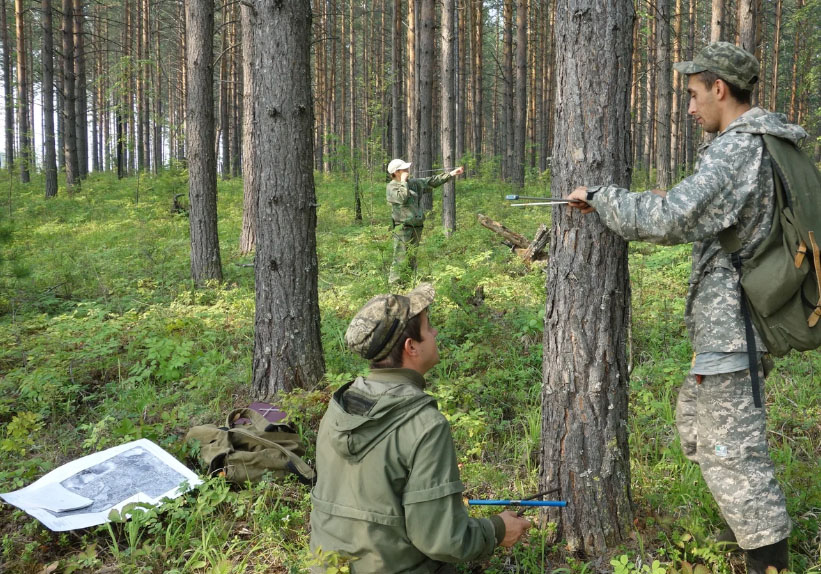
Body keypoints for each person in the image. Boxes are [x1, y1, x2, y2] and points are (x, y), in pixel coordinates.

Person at [566, 42, 804, 574]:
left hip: (734, 326)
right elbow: (712, 213)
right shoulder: (766, 142)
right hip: (740, 319)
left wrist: (604, 197)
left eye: (694, 95)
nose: (690, 108)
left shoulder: (736, 148)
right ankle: (743, 527)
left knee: (732, 452)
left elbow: (673, 218)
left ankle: (768, 559)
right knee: (700, 430)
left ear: (720, 88)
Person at [310, 283, 531, 573]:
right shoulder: (424, 425)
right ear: (411, 347)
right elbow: (442, 540)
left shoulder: (340, 405)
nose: (435, 333)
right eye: (429, 328)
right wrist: (498, 530)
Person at [386, 159, 464, 284]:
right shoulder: (391, 187)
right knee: (400, 257)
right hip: (402, 228)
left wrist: (451, 174)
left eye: (407, 168)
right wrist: (403, 182)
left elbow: (431, 181)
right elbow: (402, 198)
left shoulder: (413, 183)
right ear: (396, 172)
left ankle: (407, 284)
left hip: (417, 227)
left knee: (412, 257)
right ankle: (394, 286)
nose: (407, 171)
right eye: (404, 169)